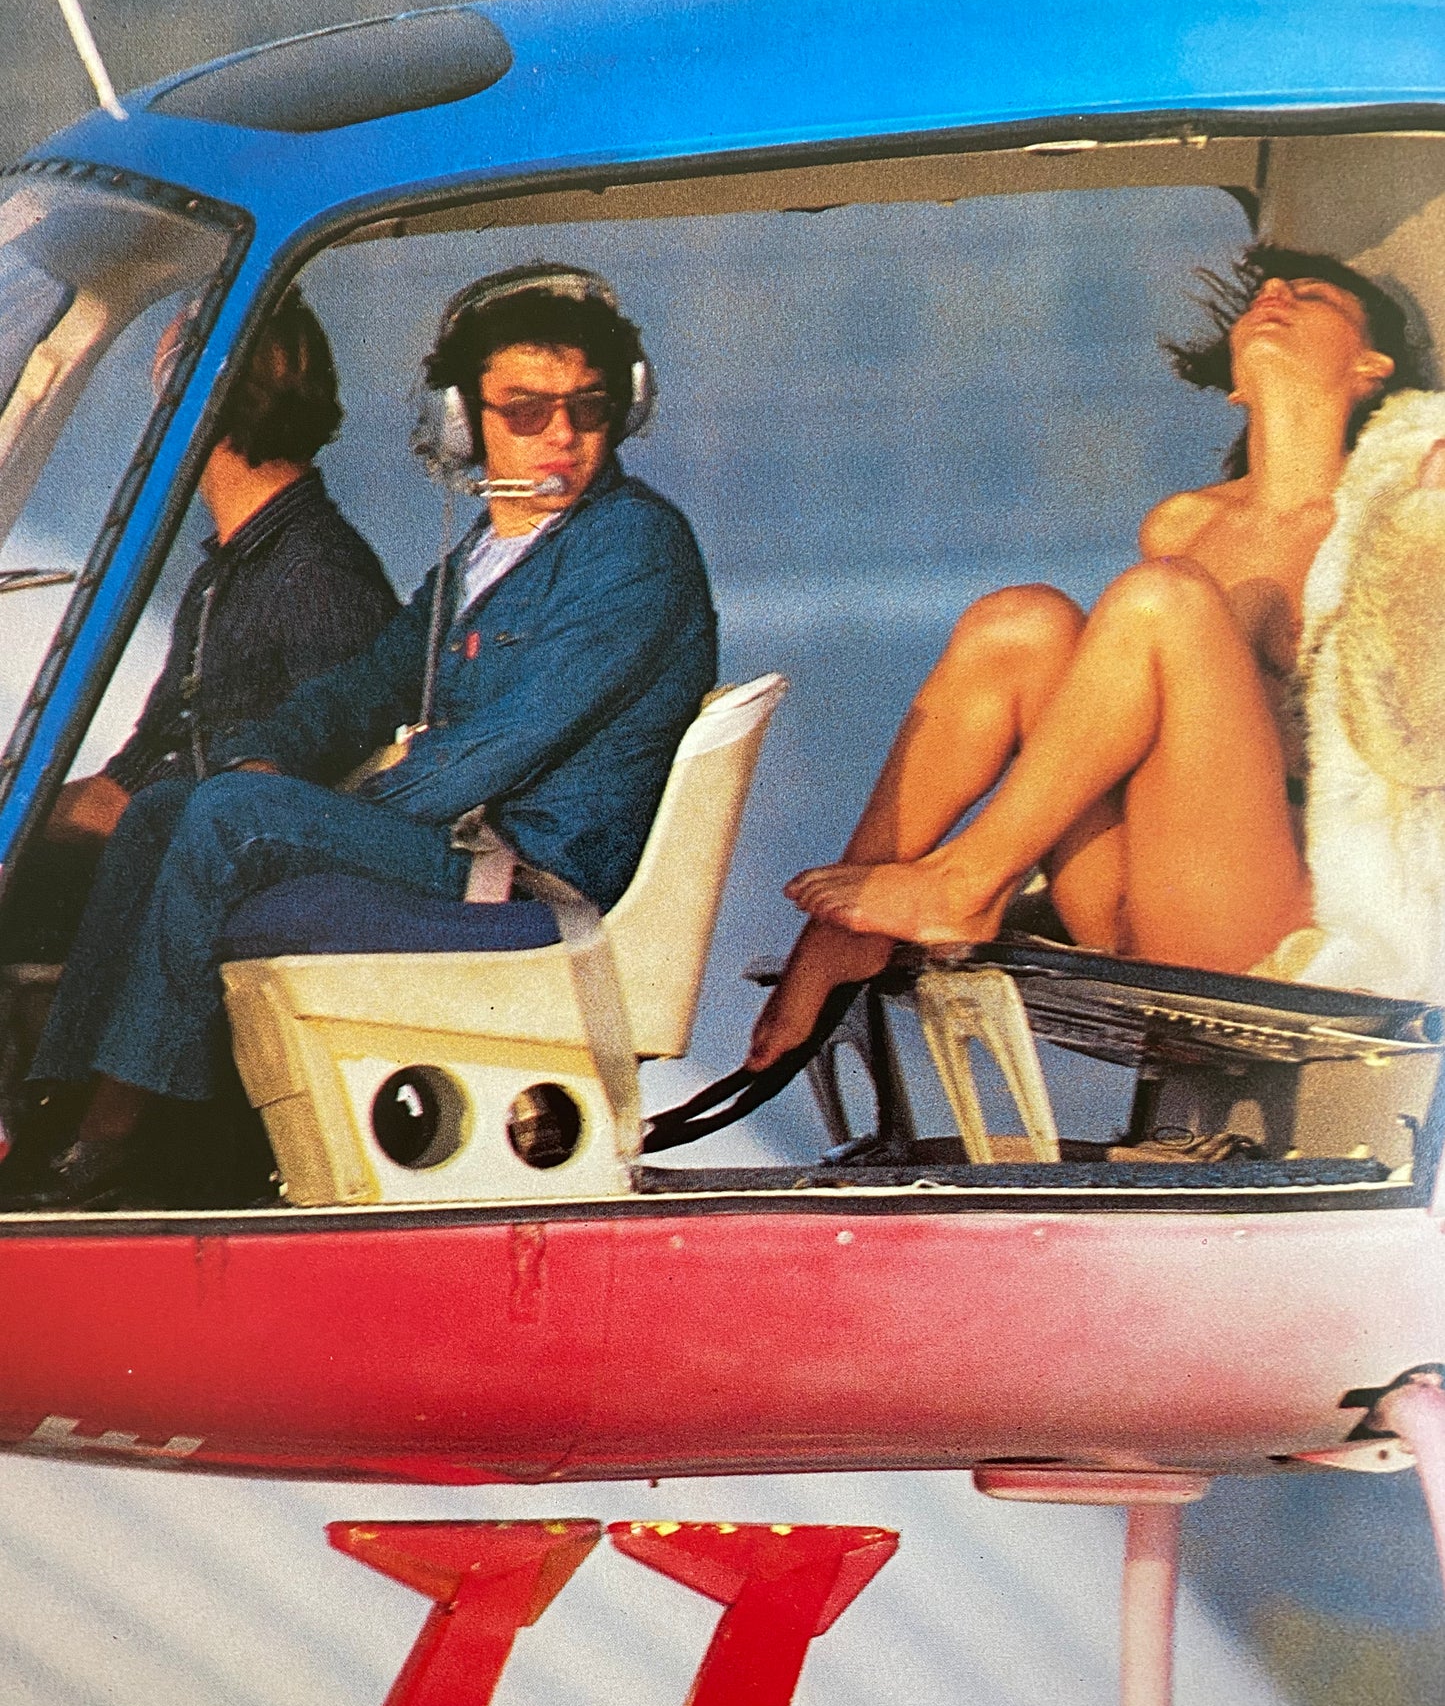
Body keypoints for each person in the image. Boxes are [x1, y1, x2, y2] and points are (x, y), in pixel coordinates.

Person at [18, 264, 716, 1208]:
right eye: (525, 410)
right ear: (463, 421)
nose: (560, 434)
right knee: (170, 810)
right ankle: (58, 1104)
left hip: (531, 873)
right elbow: (364, 686)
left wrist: (298, 807)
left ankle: (117, 1142)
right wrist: (267, 754)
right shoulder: (487, 552)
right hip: (465, 846)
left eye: (587, 408)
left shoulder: (631, 548)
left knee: (226, 816)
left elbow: (501, 746)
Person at [749, 244, 1431, 1071]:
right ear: (1234, 387)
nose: (1276, 295)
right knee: (1019, 621)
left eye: (1311, 296)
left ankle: (967, 881)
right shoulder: (1182, 524)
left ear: (1368, 367)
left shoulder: (1391, 522)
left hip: (1264, 925)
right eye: (1265, 292)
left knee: (1162, 599)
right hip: (1123, 898)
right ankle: (836, 936)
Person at [0, 286, 398, 961]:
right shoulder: (228, 568)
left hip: (199, 889)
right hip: (158, 851)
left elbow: (312, 799)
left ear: (206, 403)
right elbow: (140, 770)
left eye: (165, 387)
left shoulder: (316, 574)